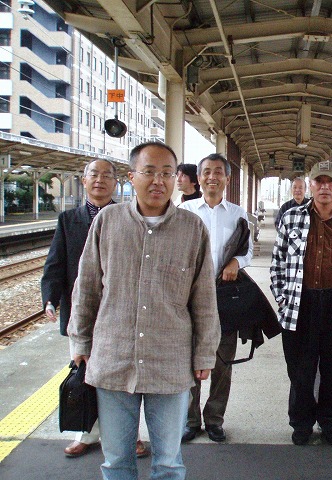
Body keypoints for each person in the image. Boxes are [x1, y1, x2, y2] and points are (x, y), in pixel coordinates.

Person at [67, 141, 220, 480]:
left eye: (167, 173)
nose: (158, 181)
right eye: (149, 172)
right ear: (131, 176)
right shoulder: (108, 221)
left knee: (168, 462)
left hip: (170, 360)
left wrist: (204, 353)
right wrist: (80, 341)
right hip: (113, 357)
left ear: (176, 179)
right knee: (116, 460)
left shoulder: (192, 228)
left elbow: (204, 298)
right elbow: (87, 286)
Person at [41, 160, 149, 459]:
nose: (100, 180)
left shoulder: (130, 217)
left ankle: (129, 435)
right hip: (83, 310)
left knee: (124, 377)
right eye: (94, 175)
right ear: (84, 181)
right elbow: (55, 263)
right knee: (83, 373)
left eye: (107, 175)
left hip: (120, 310)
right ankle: (85, 434)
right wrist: (50, 298)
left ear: (117, 182)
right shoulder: (67, 220)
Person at [270, 161, 332, 446]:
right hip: (299, 304)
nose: (324, 187)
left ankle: (330, 421)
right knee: (300, 371)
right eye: (319, 181)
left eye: (330, 181)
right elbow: (278, 262)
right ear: (310, 186)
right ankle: (301, 422)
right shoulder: (291, 218)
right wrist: (282, 298)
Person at [179, 153, 253, 443]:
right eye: (207, 172)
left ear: (227, 178)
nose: (212, 177)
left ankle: (214, 419)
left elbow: (247, 250)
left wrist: (236, 262)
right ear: (199, 178)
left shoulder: (237, 213)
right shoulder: (184, 211)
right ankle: (190, 420)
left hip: (224, 295)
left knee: (223, 360)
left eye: (218, 172)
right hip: (189, 296)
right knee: (189, 358)